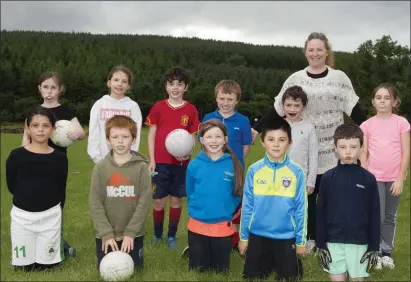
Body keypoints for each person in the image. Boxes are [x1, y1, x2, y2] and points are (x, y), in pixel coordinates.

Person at [252, 32, 367, 252]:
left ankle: (332, 240)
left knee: (333, 199)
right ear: (306, 52)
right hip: (303, 151)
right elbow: (277, 109)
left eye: (319, 49)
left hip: (335, 151)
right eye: (311, 49)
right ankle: (310, 239)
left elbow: (355, 110)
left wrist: (372, 130)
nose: (315, 54)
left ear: (327, 52)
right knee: (308, 199)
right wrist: (255, 130)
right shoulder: (295, 79)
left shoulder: (339, 78)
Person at [182, 80, 252, 256]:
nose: (226, 102)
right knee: (212, 200)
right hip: (213, 169)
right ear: (216, 98)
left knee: (234, 206)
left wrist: (235, 164)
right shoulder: (208, 118)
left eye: (230, 99)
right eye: (222, 98)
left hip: (232, 171)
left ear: (237, 100)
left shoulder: (243, 121)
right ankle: (202, 239)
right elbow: (203, 143)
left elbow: (246, 146)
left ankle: (232, 241)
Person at [21, 71, 85, 257]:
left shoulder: (66, 112)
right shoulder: (34, 113)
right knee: (35, 201)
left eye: (53, 87)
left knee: (56, 204)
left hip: (57, 163)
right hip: (35, 162)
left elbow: (81, 133)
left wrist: (76, 134)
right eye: (46, 87)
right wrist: (24, 155)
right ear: (39, 89)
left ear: (60, 90)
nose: (49, 91)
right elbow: (26, 137)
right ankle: (36, 241)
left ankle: (58, 245)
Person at [239, 118, 307, 281]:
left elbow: (301, 209)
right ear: (263, 142)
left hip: (285, 236)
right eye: (271, 139)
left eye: (281, 140)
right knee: (252, 277)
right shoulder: (254, 170)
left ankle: (291, 262)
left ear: (289, 143)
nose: (276, 144)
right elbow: (247, 206)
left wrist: (301, 242)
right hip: (258, 234)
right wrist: (243, 238)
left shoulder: (296, 171)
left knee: (289, 277)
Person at [145, 66, 201, 248]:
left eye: (180, 84)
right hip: (160, 162)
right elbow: (151, 134)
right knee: (159, 199)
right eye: (171, 84)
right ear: (166, 87)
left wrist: (189, 152)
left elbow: (192, 135)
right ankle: (157, 235)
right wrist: (152, 160)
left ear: (186, 87)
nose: (175, 87)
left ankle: (171, 236)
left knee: (176, 199)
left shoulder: (191, 109)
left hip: (181, 163)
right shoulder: (158, 108)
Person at [316, 124, 380, 281]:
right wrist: (321, 244)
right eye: (343, 147)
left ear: (361, 148)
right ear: (335, 148)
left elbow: (375, 214)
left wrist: (373, 247)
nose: (348, 152)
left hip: (359, 242)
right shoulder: (327, 178)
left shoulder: (369, 179)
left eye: (353, 147)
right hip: (333, 241)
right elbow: (320, 212)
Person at [7, 106, 68, 271]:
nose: (40, 130)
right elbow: (12, 185)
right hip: (22, 217)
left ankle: (64, 249)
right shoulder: (16, 156)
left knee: (47, 267)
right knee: (24, 268)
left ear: (53, 129)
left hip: (50, 216)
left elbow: (60, 187)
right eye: (35, 125)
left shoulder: (60, 158)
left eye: (46, 126)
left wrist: (54, 210)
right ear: (27, 127)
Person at [89, 115, 152, 271]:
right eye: (115, 137)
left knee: (134, 270)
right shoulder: (100, 168)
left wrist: (131, 233)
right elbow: (95, 203)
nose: (120, 141)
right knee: (108, 270)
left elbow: (144, 202)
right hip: (106, 234)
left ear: (133, 139)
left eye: (125, 136)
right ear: (108, 140)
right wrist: (106, 233)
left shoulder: (142, 168)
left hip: (133, 234)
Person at [359, 83, 410, 269]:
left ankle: (386, 252)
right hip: (374, 178)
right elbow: (363, 152)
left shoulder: (401, 123)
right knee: (377, 216)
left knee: (390, 216)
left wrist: (400, 178)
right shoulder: (367, 125)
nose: (382, 101)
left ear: (394, 102)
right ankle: (374, 251)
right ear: (373, 101)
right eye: (378, 98)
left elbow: (406, 151)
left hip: (394, 179)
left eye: (387, 98)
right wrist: (366, 177)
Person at [185, 119, 244, 272]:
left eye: (218, 136)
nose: (214, 141)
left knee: (220, 270)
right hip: (198, 222)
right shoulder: (194, 164)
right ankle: (192, 251)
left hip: (222, 223)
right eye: (209, 137)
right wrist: (198, 206)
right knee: (198, 269)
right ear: (202, 140)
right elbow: (190, 190)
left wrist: (227, 208)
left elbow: (237, 192)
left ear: (225, 140)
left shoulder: (233, 163)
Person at [282, 85, 318, 250]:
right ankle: (283, 239)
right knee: (282, 209)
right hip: (280, 179)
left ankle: (305, 240)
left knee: (301, 212)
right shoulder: (278, 126)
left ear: (303, 107)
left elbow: (313, 155)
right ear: (283, 106)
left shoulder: (309, 128)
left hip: (301, 179)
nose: (292, 109)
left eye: (296, 105)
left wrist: (311, 181)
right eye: (288, 105)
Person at [88, 65, 143, 164]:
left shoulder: (132, 106)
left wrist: (131, 156)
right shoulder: (99, 104)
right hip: (103, 160)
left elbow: (136, 134)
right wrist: (96, 157)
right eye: (116, 80)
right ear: (109, 83)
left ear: (128, 86)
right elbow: (93, 132)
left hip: (126, 159)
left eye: (124, 81)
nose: (120, 84)